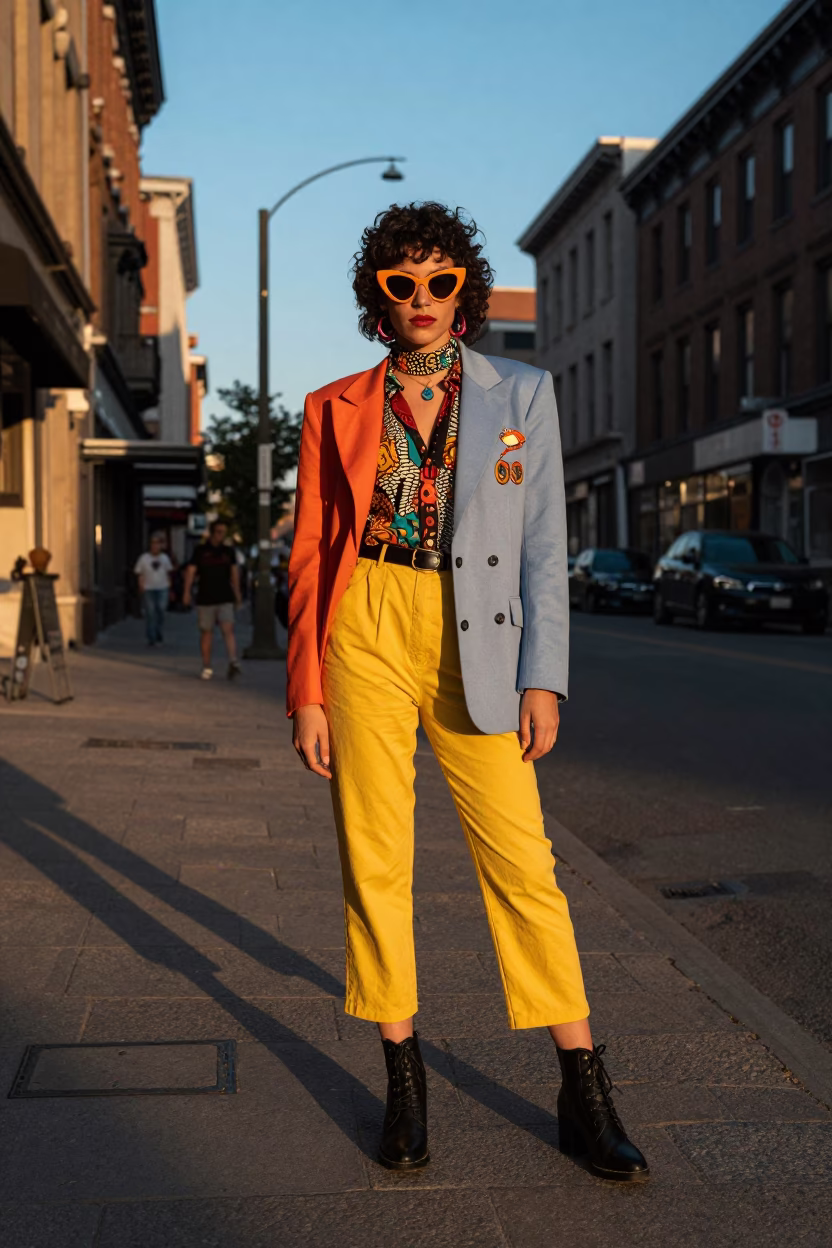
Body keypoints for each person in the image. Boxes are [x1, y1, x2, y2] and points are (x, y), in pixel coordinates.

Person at [287, 202, 649, 1182]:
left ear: (465, 290)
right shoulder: (333, 406)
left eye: (438, 281)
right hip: (364, 622)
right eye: (400, 284)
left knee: (524, 865)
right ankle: (404, 1082)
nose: (421, 300)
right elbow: (313, 550)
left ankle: (582, 1088)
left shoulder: (521, 392)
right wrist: (307, 688)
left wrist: (546, 676)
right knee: (376, 855)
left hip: (476, 634)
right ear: (377, 295)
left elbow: (543, 546)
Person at [182, 520, 242, 680]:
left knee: (228, 629)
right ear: (212, 532)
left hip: (225, 596)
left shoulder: (229, 551)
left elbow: (234, 573)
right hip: (205, 597)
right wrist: (186, 592)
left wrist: (237, 594)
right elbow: (191, 571)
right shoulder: (200, 551)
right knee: (206, 632)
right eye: (218, 532)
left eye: (224, 532)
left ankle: (233, 661)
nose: (221, 535)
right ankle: (207, 665)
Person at [134, 533, 172, 646]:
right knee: (150, 612)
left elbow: (168, 573)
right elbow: (139, 573)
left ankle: (158, 631)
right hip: (148, 588)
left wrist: (170, 587)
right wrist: (141, 586)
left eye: (157, 543)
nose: (155, 546)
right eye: (153, 543)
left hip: (162, 588)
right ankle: (152, 636)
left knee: (161, 610)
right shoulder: (144, 558)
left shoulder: (165, 558)